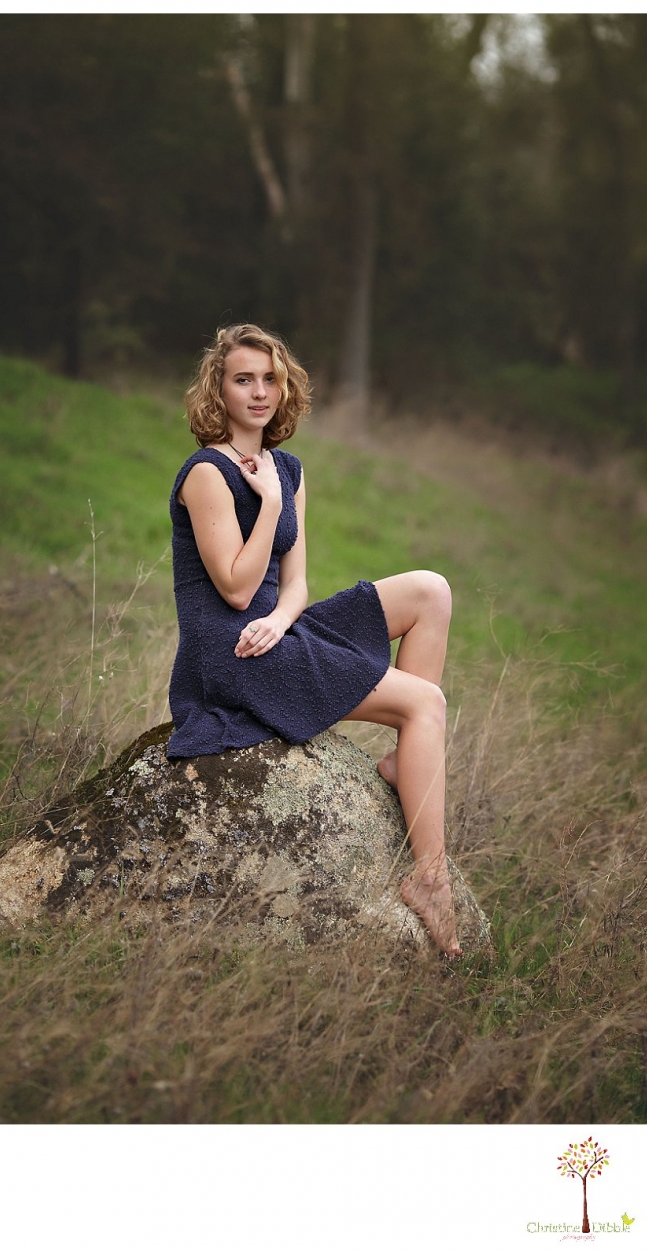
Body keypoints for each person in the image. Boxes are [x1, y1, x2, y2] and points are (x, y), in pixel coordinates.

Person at [167, 324, 461, 958]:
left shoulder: (289, 469)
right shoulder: (205, 474)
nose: (259, 391)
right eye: (243, 378)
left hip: (276, 631)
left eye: (270, 378)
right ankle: (430, 880)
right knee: (426, 703)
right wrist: (269, 506)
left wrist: (284, 619)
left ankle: (403, 757)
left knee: (431, 590)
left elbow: (293, 582)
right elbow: (239, 591)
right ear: (218, 388)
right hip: (233, 653)